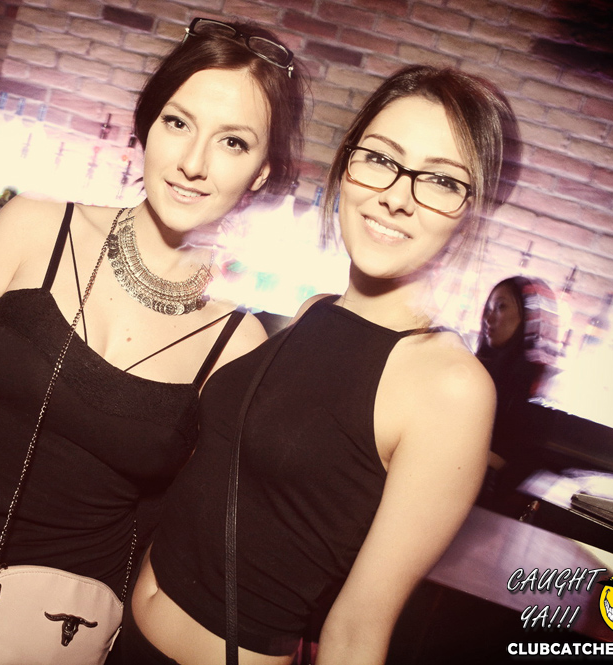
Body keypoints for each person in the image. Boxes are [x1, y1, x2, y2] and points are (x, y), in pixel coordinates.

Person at [0, 17, 307, 665]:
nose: (193, 163)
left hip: (60, 637)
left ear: (260, 172)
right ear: (148, 123)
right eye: (178, 122)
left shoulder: (238, 343)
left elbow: (184, 539)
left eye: (232, 142)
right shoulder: (32, 228)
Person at [126, 65, 518, 665]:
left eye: (441, 181)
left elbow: (356, 633)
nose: (396, 196)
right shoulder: (316, 311)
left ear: (472, 210)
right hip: (123, 638)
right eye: (381, 159)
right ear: (347, 162)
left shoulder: (450, 387)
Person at [475, 276, 558, 516]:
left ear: (529, 318)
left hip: (488, 504)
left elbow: (520, 462)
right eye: (488, 309)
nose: (489, 318)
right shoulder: (479, 367)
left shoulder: (538, 387)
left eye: (501, 307)